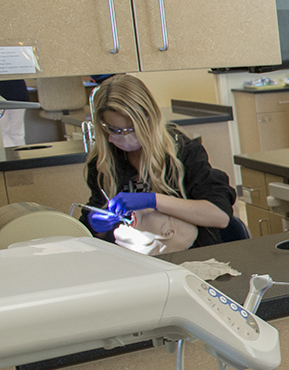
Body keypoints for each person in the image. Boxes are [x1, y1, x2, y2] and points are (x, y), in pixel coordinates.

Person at [80, 74, 236, 248]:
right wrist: (97, 225)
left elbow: (219, 216)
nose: (124, 136)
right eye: (115, 130)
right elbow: (94, 229)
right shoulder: (104, 163)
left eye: (131, 129)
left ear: (149, 119)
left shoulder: (183, 152)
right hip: (131, 261)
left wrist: (153, 200)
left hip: (187, 258)